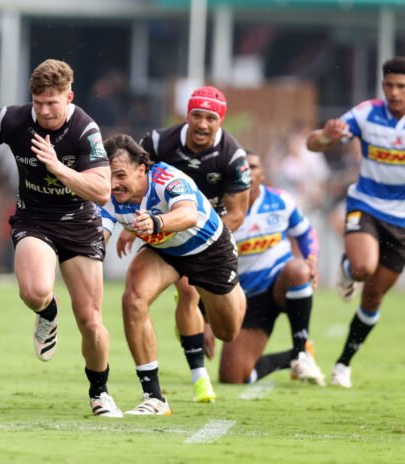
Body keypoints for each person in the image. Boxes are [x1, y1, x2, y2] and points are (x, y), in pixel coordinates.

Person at [0, 59, 122, 417]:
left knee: (91, 321)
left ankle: (100, 392)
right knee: (33, 291)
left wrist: (57, 166)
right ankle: (48, 312)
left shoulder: (85, 130)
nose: (44, 111)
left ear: (69, 97)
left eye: (52, 103)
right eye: (39, 102)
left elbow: (102, 191)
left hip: (79, 224)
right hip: (35, 220)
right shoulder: (14, 120)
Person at [120, 86, 250, 402]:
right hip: (164, 233)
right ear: (187, 115)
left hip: (206, 240)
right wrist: (130, 224)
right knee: (138, 297)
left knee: (228, 331)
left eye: (210, 118)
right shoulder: (156, 143)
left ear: (220, 121)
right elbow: (133, 180)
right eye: (197, 116)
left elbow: (237, 214)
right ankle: (169, 389)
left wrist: (202, 246)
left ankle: (228, 293)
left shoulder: (232, 157)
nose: (202, 124)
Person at [100, 134, 246, 415]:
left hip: (209, 251)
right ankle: (154, 397)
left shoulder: (167, 178)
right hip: (165, 251)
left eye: (120, 175)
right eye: (108, 176)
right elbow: (98, 240)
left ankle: (234, 293)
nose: (113, 184)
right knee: (133, 299)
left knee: (227, 332)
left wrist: (156, 223)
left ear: (141, 169)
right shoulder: (106, 195)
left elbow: (188, 215)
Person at [306, 56, 405, 388]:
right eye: (389, 85)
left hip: (402, 220)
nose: (394, 92)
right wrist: (327, 135)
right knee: (364, 268)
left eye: (401, 86)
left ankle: (343, 363)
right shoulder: (366, 113)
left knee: (373, 299)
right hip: (366, 205)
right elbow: (313, 143)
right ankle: (349, 268)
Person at [218, 151, 325, 386]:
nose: (248, 172)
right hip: (248, 298)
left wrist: (311, 259)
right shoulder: (221, 209)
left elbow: (305, 232)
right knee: (232, 377)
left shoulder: (281, 201)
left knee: (298, 270)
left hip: (281, 284)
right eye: (241, 167)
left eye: (253, 167)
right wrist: (205, 319)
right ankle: (292, 357)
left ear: (263, 174)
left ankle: (300, 352)